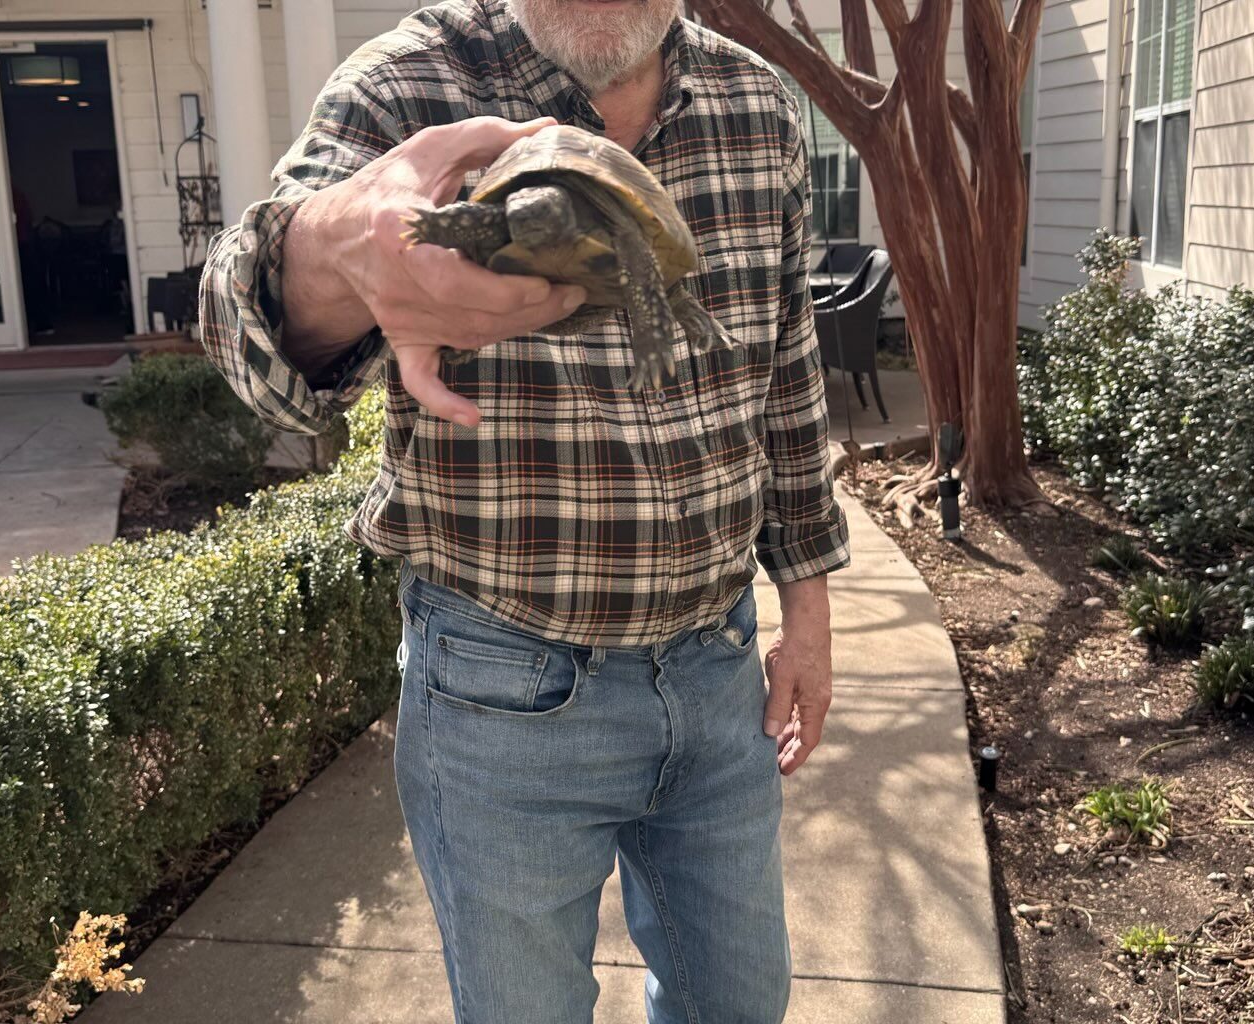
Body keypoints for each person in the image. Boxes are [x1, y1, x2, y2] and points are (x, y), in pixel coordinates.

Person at [198, 0, 850, 1017]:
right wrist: (335, 254)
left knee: (741, 1002)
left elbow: (786, 374)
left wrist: (807, 612)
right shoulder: (409, 86)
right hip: (504, 688)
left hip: (718, 670)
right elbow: (250, 334)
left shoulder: (754, 104)